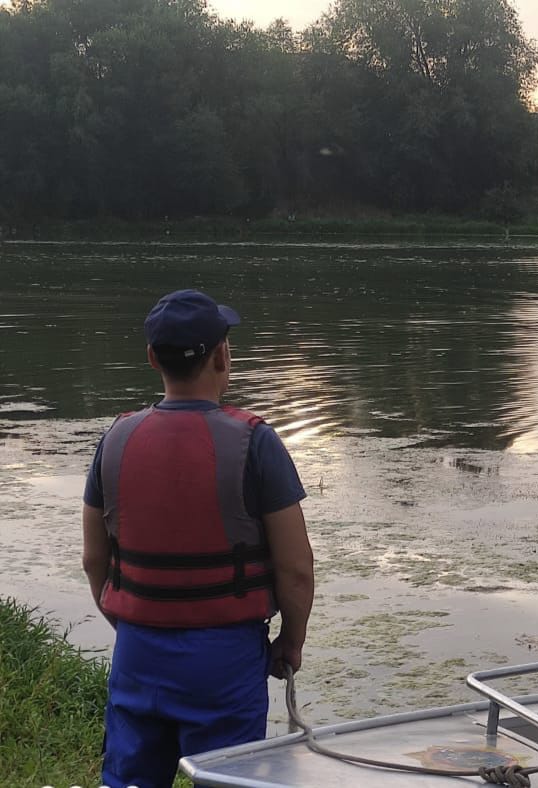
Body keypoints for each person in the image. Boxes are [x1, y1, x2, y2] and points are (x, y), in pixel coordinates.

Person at [81, 289, 315, 788]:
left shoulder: (115, 440)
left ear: (151, 358)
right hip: (225, 660)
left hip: (138, 653)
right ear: (223, 356)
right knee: (226, 779)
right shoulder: (256, 442)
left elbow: (92, 560)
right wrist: (290, 642)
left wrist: (132, 624)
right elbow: (296, 569)